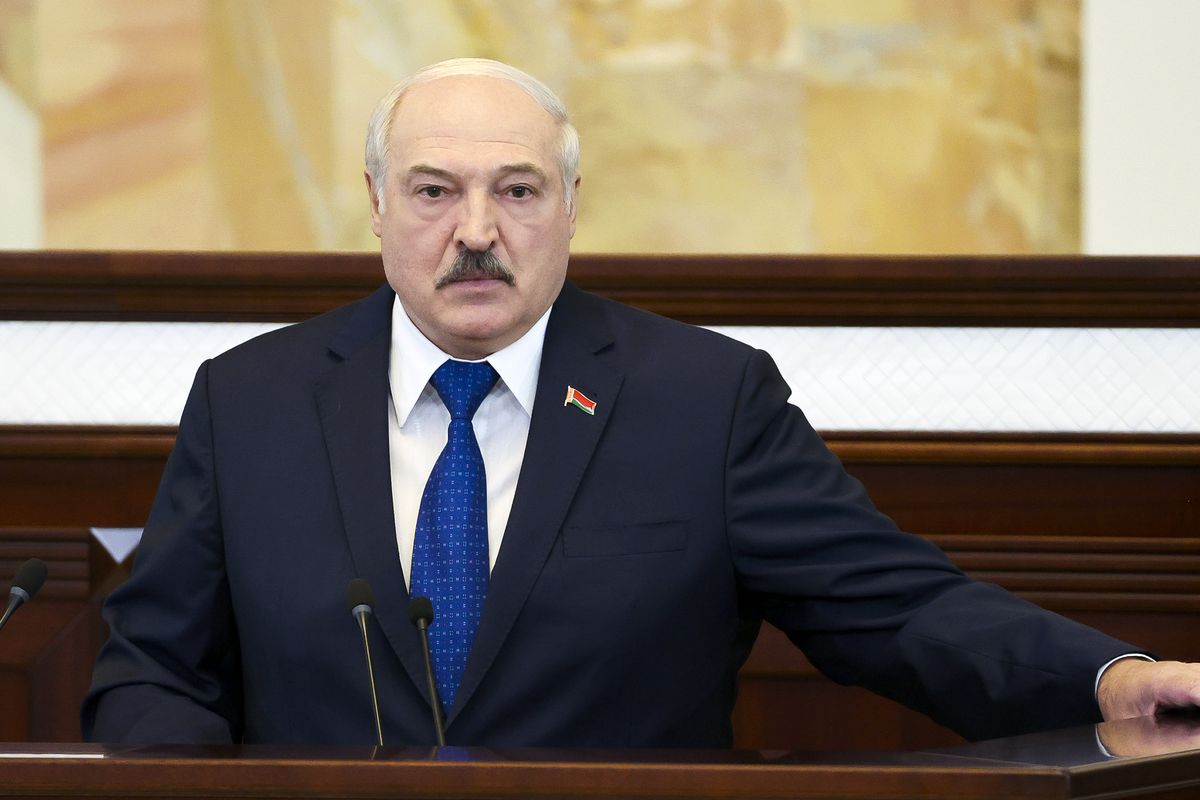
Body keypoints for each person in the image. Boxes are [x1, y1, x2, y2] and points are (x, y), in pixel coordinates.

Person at [82, 58, 1200, 747]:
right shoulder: (252, 401)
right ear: (376, 205)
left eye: (516, 190)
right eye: (434, 190)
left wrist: (1112, 674)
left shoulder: (702, 400)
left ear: (570, 206)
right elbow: (153, 666)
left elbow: (899, 610)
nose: (476, 229)